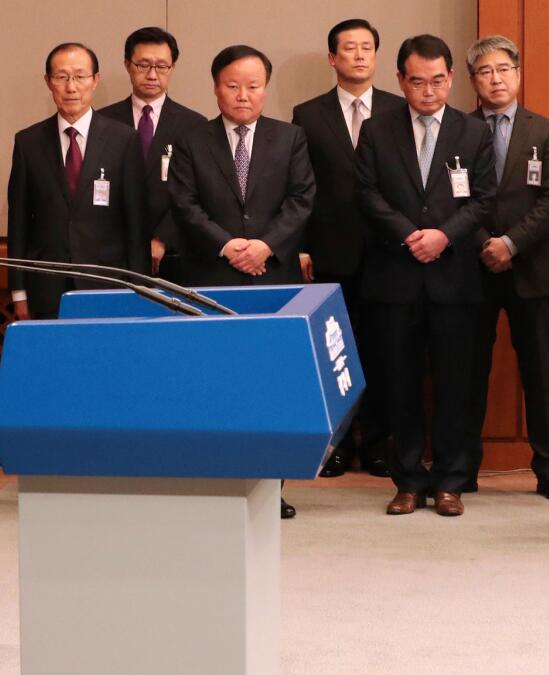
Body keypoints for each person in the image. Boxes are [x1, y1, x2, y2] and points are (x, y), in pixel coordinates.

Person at [169, 45, 315, 518]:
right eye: (233, 85)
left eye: (253, 86)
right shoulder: (192, 140)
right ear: (215, 87)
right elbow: (184, 205)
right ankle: (218, 480)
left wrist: (265, 246)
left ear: (265, 88)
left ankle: (273, 487)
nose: (243, 95)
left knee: (271, 386)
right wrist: (229, 245)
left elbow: (301, 200)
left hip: (272, 276)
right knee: (216, 383)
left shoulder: (290, 137)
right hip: (213, 276)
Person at [355, 34, 496, 517]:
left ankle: (451, 480)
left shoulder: (472, 133)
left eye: (438, 81)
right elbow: (367, 194)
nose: (429, 91)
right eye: (418, 82)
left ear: (452, 79)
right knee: (400, 382)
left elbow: (484, 199)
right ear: (401, 80)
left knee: (456, 383)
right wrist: (410, 235)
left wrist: (443, 236)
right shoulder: (377, 129)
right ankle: (409, 479)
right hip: (395, 277)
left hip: (454, 278)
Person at [291, 18, 403, 478]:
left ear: (376, 56)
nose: (359, 55)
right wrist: (302, 247)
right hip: (331, 251)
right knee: (335, 350)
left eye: (367, 48)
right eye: (349, 48)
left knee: (382, 349)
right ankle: (337, 444)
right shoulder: (307, 114)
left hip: (389, 249)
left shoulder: (400, 109)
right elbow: (302, 187)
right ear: (332, 59)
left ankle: (377, 442)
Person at [464, 35, 549, 500]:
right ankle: (461, 465)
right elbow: (452, 199)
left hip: (528, 267)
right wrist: (483, 242)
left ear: (518, 73)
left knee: (540, 373)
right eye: (486, 71)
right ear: (473, 80)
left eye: (504, 69)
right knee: (467, 371)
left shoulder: (544, 130)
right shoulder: (459, 129)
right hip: (470, 269)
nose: (496, 78)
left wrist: (510, 243)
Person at [7, 42, 149, 319]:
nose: (71, 87)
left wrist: (139, 288)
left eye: (80, 76)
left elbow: (136, 223)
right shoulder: (28, 142)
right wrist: (18, 290)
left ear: (95, 81)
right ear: (48, 82)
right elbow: (19, 222)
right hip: (46, 284)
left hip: (108, 282)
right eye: (61, 77)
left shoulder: (123, 140)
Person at [97, 26, 206, 281]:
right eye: (143, 65)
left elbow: (196, 191)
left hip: (175, 257)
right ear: (127, 65)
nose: (152, 74)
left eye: (161, 66)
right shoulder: (101, 121)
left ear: (173, 68)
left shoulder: (195, 125)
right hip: (114, 255)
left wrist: (163, 238)